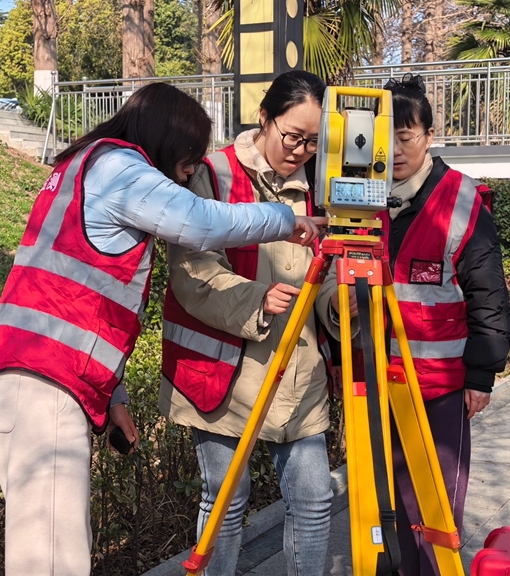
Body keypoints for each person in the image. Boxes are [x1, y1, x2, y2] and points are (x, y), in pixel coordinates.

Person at [0, 83, 324, 576]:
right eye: (188, 159)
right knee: (52, 563)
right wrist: (287, 220)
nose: (189, 174)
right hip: (42, 383)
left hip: (35, 376)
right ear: (166, 139)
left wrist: (113, 394)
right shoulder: (119, 167)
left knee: (48, 553)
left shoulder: (83, 165)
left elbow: (84, 297)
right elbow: (200, 222)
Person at [317, 74, 510, 576]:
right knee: (377, 502)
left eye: (406, 138)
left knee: (432, 510)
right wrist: (339, 354)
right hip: (371, 381)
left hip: (438, 387)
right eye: (387, 139)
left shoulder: (461, 199)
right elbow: (331, 289)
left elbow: (488, 294)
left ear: (429, 136)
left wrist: (481, 375)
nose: (396, 151)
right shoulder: (356, 200)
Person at [158, 70, 333, 576]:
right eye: (293, 136)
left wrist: (339, 308)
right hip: (222, 375)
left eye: (313, 142)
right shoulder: (214, 175)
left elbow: (326, 273)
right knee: (225, 501)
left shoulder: (323, 185)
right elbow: (193, 272)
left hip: (297, 373)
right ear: (264, 117)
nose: (301, 151)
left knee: (315, 500)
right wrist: (258, 299)